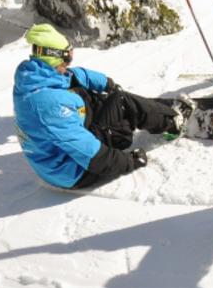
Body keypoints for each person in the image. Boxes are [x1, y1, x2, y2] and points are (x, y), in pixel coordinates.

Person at [13, 24, 193, 190]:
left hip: (57, 161)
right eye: (66, 60)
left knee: (86, 94)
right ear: (51, 58)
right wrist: (129, 161)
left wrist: (107, 84)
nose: (68, 64)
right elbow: (91, 154)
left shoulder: (33, 80)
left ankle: (141, 111)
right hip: (76, 171)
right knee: (122, 103)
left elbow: (76, 75)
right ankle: (174, 121)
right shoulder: (49, 105)